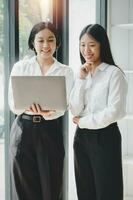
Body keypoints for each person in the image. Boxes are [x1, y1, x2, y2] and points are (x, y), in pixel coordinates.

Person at [8, 21, 74, 200]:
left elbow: (64, 106)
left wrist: (49, 113)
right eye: (40, 40)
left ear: (57, 43)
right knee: (24, 187)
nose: (46, 45)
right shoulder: (20, 67)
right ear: (32, 43)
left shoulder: (66, 71)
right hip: (23, 130)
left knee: (51, 186)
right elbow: (13, 104)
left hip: (50, 130)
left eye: (51, 40)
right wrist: (28, 107)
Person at [69, 24, 128, 200]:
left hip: (105, 137)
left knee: (107, 191)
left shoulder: (114, 73)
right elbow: (74, 108)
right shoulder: (82, 73)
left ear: (102, 44)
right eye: (82, 45)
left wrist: (83, 121)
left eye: (92, 44)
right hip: (81, 138)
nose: (86, 50)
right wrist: (80, 79)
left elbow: (115, 112)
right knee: (85, 190)